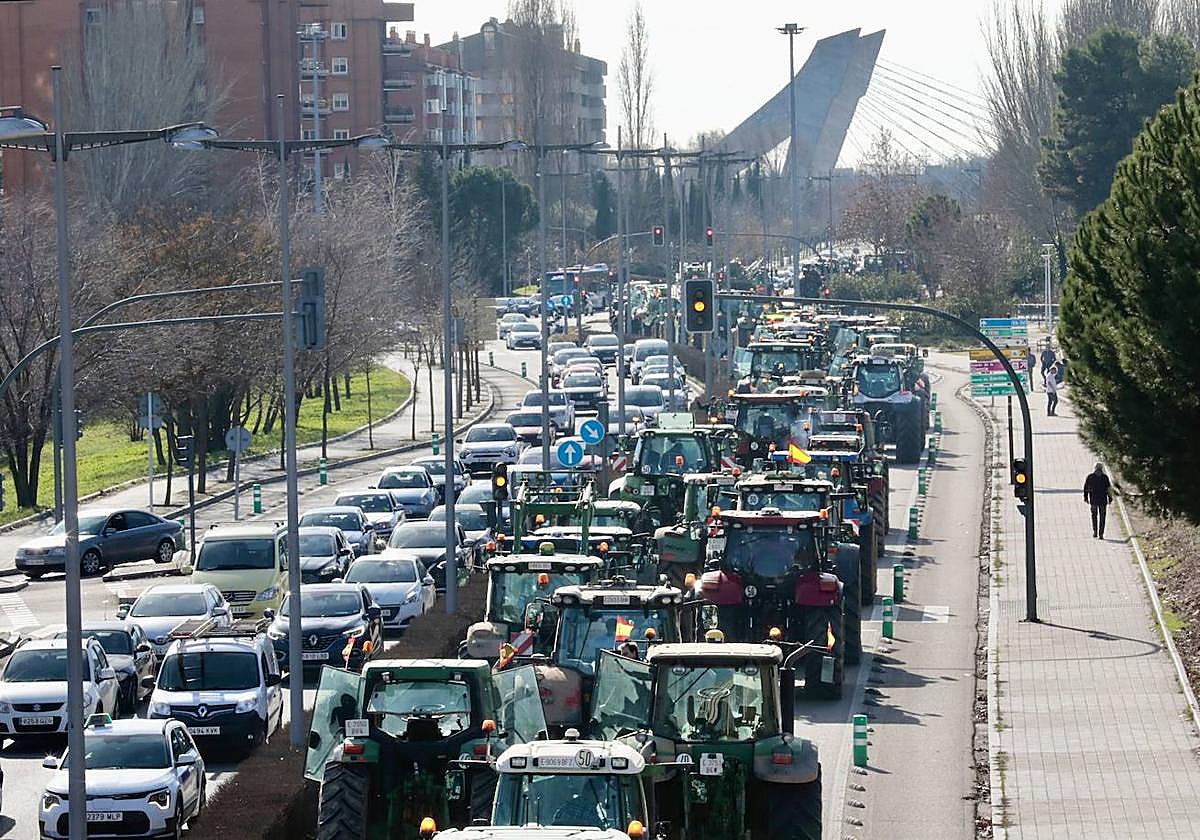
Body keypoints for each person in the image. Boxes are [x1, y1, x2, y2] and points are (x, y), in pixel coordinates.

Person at [1083, 462, 1112, 538]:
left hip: (1093, 500)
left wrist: (1086, 497)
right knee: (1102, 517)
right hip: (1103, 500)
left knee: (1094, 516)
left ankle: (1095, 531)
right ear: (1102, 468)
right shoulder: (1105, 477)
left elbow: (1086, 488)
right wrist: (1110, 497)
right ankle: (1101, 533)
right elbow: (1108, 489)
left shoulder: (1090, 477)